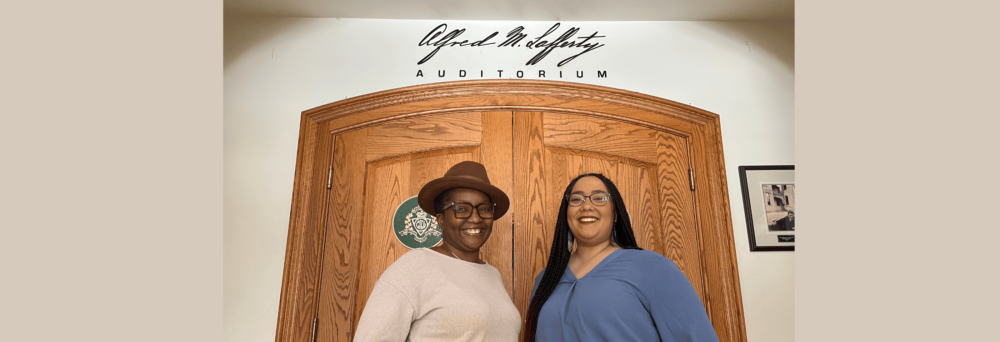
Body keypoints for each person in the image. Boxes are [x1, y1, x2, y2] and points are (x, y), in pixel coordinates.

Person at [523, 173, 719, 342]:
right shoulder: (545, 279)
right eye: (577, 199)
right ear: (566, 213)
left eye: (599, 198)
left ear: (616, 213)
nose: (586, 206)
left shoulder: (653, 268)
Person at [353, 161, 521, 342]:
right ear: (441, 220)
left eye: (485, 208)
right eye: (461, 209)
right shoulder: (415, 267)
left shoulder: (492, 274)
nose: (475, 217)